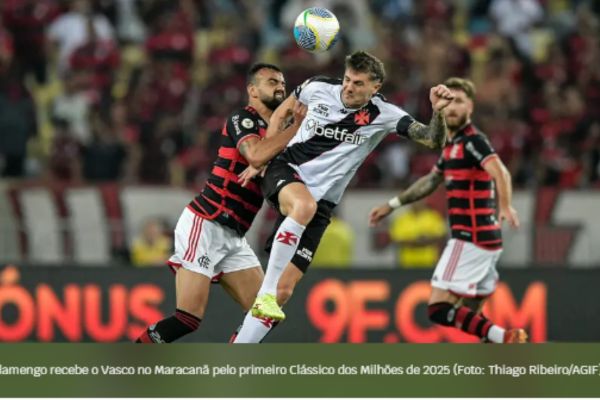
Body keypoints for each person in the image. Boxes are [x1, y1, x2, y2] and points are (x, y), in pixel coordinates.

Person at [230, 50, 452, 343]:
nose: (349, 87)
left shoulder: (385, 114)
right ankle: (266, 294)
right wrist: (264, 156)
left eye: (358, 84)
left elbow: (433, 140)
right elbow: (283, 112)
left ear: (375, 87)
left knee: (285, 291)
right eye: (347, 80)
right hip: (286, 170)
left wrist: (438, 112)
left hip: (321, 205)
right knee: (303, 207)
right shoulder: (317, 87)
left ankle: (238, 350)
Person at [135, 63, 306, 343]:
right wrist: (297, 127)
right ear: (252, 90)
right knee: (188, 318)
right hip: (206, 222)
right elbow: (255, 154)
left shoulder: (279, 135)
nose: (280, 88)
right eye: (272, 82)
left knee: (265, 314)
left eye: (283, 84)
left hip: (234, 236)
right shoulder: (243, 118)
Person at [369, 77, 527, 343]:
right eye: (449, 101)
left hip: (469, 238)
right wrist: (392, 204)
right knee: (471, 316)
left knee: (438, 308)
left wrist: (505, 205)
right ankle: (498, 352)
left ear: (470, 107)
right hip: (487, 240)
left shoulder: (473, 142)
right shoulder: (453, 145)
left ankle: (507, 337)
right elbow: (431, 180)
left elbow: (500, 172)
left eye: (459, 102)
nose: (452, 108)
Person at [389, 199, 446, 268]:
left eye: (419, 200)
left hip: (429, 261)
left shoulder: (433, 217)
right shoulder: (402, 219)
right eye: (414, 201)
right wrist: (416, 241)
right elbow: (397, 239)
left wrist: (425, 239)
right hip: (407, 263)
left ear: (424, 201)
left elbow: (440, 236)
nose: (416, 203)